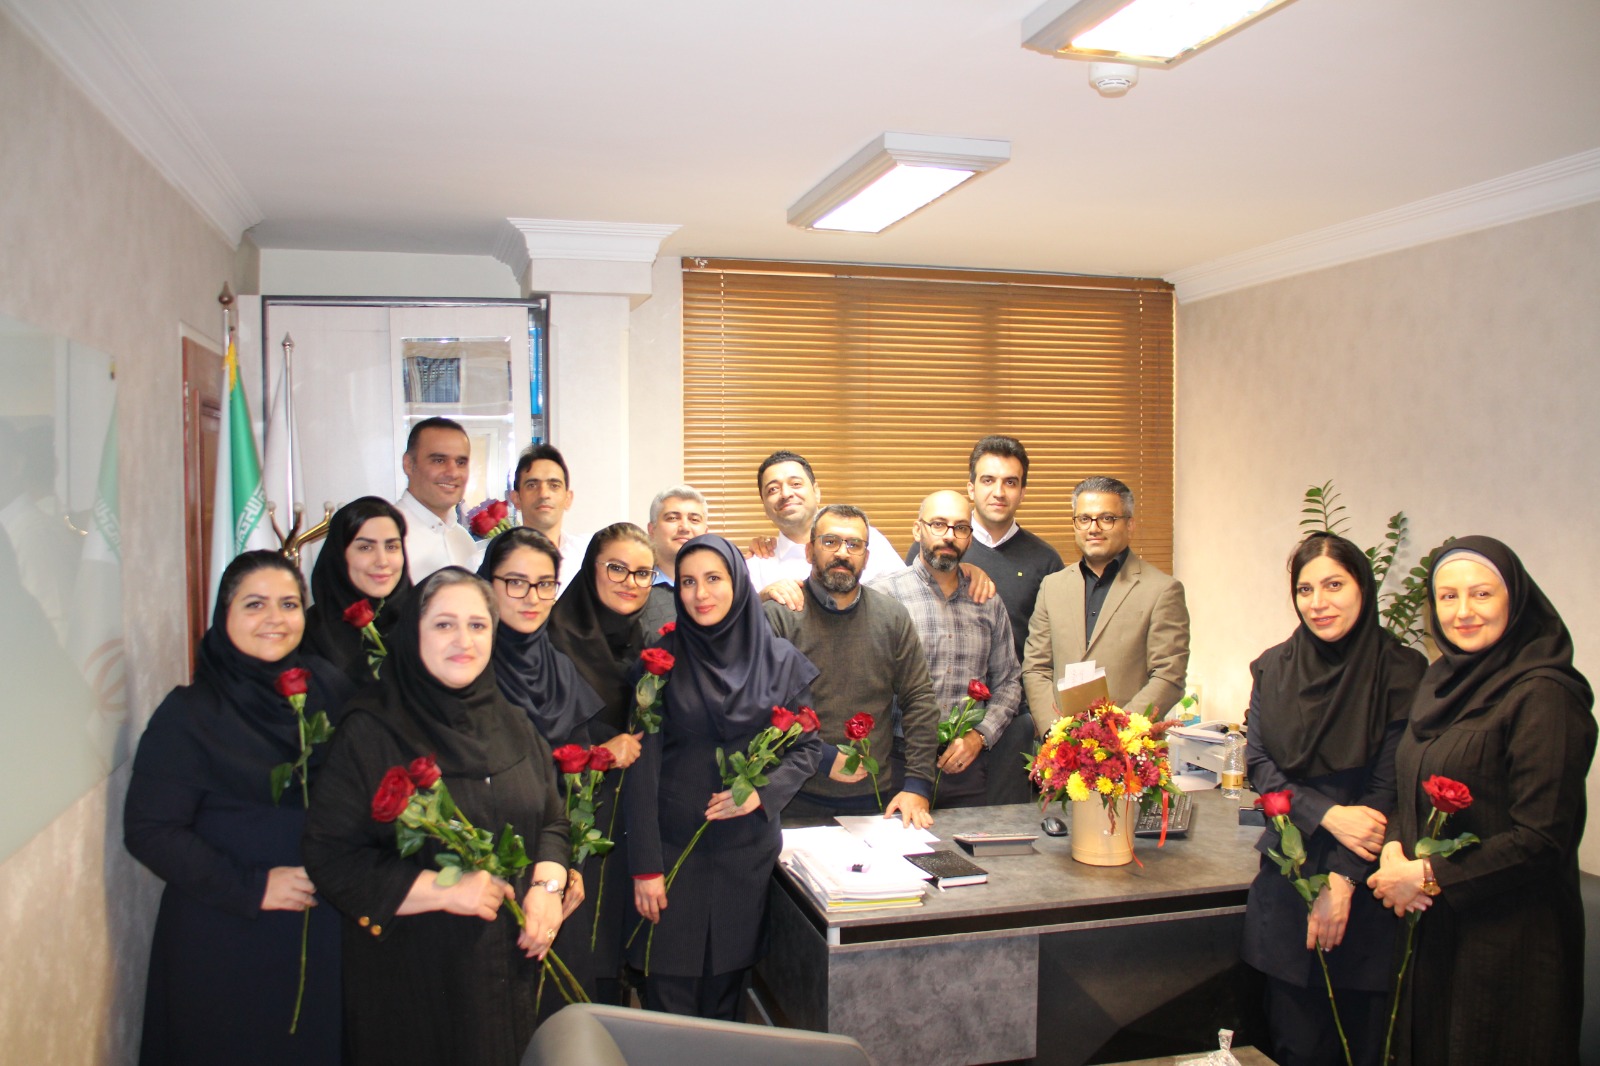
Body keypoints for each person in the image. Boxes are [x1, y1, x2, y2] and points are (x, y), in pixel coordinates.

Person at [302, 568, 571, 1066]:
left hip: (509, 974)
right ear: (414, 633)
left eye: (477, 625)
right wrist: (445, 890)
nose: (463, 640)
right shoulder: (371, 730)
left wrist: (547, 889)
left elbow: (552, 819)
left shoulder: (514, 723)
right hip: (414, 983)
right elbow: (330, 856)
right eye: (444, 624)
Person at [1368, 537, 1595, 1066]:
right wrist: (1395, 849)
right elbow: (1411, 781)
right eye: (1448, 597)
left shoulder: (1546, 695)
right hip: (1435, 934)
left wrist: (1427, 875)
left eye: (1482, 594)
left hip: (1510, 950)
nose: (1463, 611)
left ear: (1515, 599)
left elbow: (1542, 839)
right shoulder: (1441, 684)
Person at [125, 550, 355, 1065]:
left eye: (289, 604)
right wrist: (253, 887)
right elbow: (149, 830)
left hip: (319, 935)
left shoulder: (331, 690)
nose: (275, 618)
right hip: (226, 936)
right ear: (224, 615)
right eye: (255, 604)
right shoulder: (189, 714)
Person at [1241, 533, 1426, 1066]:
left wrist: (1342, 881)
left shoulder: (1403, 671)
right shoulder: (1273, 668)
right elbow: (1259, 765)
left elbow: (1389, 788)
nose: (1318, 602)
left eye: (1334, 585)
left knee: (1360, 1047)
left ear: (1362, 587)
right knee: (1292, 1044)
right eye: (1305, 589)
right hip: (1287, 881)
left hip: (1369, 888)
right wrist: (1326, 814)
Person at [627, 534, 824, 1019]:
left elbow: (806, 747)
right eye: (688, 581)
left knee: (726, 1002)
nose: (700, 593)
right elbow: (641, 769)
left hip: (744, 857)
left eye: (713, 578)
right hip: (673, 855)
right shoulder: (661, 658)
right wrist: (646, 866)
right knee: (668, 1000)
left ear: (737, 582)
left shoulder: (778, 659)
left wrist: (760, 792)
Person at [763, 504, 941, 828]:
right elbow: (762, 711)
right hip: (794, 800)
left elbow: (919, 701)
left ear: (866, 557)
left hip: (874, 801)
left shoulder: (892, 617)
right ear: (809, 551)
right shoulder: (779, 617)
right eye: (830, 542)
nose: (842, 553)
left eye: (854, 544)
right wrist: (822, 757)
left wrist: (917, 785)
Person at [544, 523, 656, 1003]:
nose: (630, 582)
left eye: (643, 573)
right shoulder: (551, 640)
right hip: (566, 830)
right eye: (616, 568)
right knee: (573, 968)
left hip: (623, 828)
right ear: (591, 569)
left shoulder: (643, 643)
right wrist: (598, 755)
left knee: (611, 963)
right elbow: (531, 743)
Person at [871, 491, 1023, 807]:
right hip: (896, 765)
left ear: (970, 537)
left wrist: (979, 736)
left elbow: (1009, 682)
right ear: (918, 530)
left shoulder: (987, 601)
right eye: (938, 524)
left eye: (961, 527)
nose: (949, 536)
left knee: (968, 841)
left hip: (965, 766)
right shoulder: (882, 595)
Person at [1022, 476, 1189, 734]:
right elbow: (1036, 667)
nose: (1094, 528)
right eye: (1084, 519)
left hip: (1129, 747)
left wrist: (1119, 734)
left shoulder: (1162, 590)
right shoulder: (1052, 587)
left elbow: (1169, 675)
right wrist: (1054, 731)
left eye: (1107, 518)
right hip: (1060, 746)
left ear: (1130, 525)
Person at [303, 497, 413, 685]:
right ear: (339, 556)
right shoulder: (309, 635)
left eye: (391, 547)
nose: (382, 561)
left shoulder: (425, 623)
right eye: (365, 547)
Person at [395, 417, 476, 582]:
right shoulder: (387, 536)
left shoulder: (464, 540)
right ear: (408, 464)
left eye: (461, 462)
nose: (453, 473)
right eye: (439, 460)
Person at [509, 444, 582, 597]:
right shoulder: (486, 562)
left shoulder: (586, 558)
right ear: (516, 498)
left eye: (554, 485)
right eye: (532, 485)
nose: (543, 494)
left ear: (568, 499)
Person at [638, 484, 710, 636]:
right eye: (672, 518)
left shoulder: (720, 589)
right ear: (652, 530)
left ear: (705, 532)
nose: (684, 527)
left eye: (694, 519)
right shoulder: (634, 588)